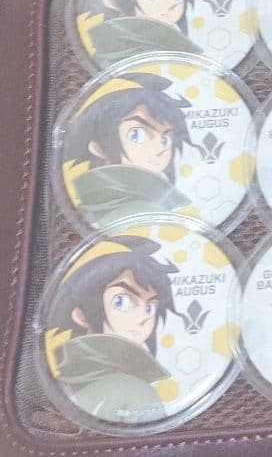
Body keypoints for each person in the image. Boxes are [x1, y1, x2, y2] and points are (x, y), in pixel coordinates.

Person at [44, 235, 178, 423]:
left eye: (150, 307)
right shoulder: (134, 390)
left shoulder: (66, 374)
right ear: (81, 315)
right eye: (121, 301)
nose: (144, 317)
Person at [63, 72, 193, 226]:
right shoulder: (129, 208)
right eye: (136, 134)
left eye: (165, 139)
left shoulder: (158, 198)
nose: (161, 148)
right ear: (98, 147)